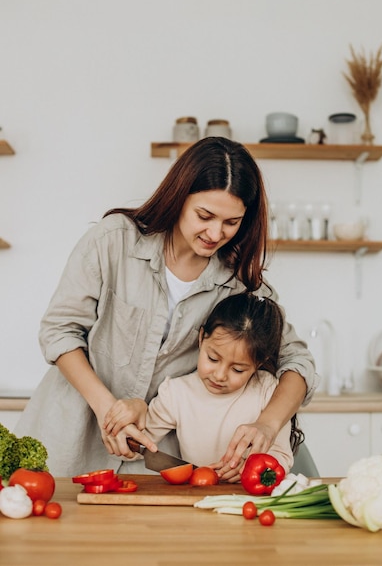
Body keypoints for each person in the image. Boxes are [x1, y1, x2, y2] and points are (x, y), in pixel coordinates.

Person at [15, 136, 317, 476]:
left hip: (152, 460)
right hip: (68, 442)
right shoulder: (113, 241)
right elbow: (60, 331)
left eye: (231, 223)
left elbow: (298, 361)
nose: (215, 232)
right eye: (205, 215)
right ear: (179, 198)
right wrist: (108, 408)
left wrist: (268, 424)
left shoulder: (238, 284)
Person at [105, 293, 304, 482]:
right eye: (213, 358)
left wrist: (249, 467)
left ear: (259, 363)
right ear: (201, 338)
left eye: (237, 369)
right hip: (197, 498)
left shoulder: (268, 390)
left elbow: (282, 457)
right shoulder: (176, 393)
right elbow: (135, 446)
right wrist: (126, 426)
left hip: (250, 498)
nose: (219, 375)